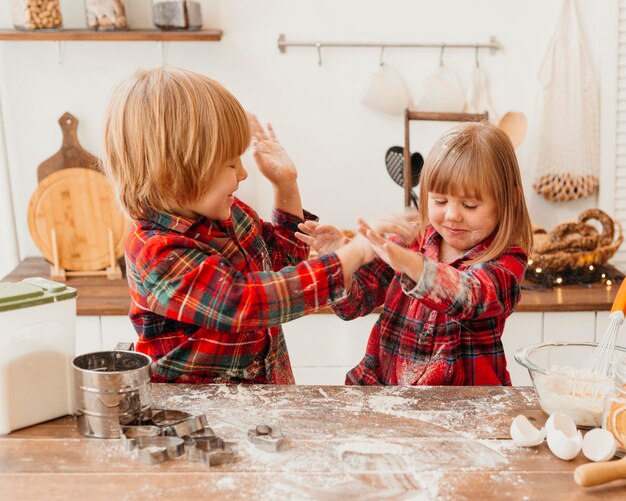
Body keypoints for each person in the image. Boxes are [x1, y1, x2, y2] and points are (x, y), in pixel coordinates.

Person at [101, 66, 373, 384]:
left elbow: (282, 263)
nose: (243, 173)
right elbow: (243, 303)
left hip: (260, 399)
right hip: (194, 414)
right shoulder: (156, 250)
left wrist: (286, 185)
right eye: (230, 163)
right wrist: (347, 259)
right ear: (171, 177)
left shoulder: (229, 213)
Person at [297, 121, 533, 386]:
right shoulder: (412, 240)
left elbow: (471, 297)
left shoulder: (506, 259)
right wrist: (342, 258)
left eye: (470, 205)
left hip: (465, 406)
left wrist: (414, 266)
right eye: (440, 201)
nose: (452, 215)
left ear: (509, 200)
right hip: (390, 393)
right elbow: (355, 303)